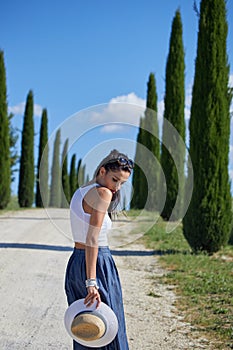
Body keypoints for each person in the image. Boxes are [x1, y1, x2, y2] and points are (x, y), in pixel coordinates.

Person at [65, 149, 134, 350]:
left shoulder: (81, 192)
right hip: (97, 263)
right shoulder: (102, 193)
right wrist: (92, 282)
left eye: (122, 183)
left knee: (86, 330)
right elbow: (92, 239)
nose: (116, 187)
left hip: (76, 263)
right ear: (102, 171)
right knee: (109, 328)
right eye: (115, 179)